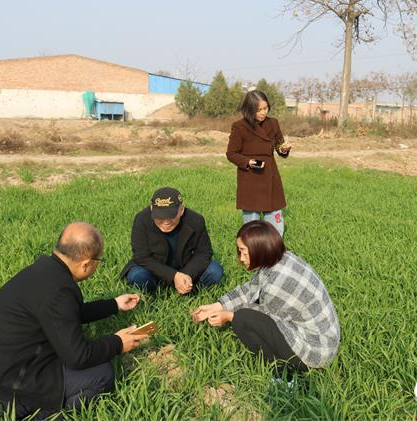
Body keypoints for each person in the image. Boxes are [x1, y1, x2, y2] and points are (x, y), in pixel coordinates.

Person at [0, 222, 147, 419]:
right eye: (98, 260)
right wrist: (118, 343)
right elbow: (78, 356)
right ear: (87, 264)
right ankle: (49, 415)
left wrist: (114, 304)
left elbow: (67, 314)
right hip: (4, 393)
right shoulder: (59, 290)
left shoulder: (44, 271)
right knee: (101, 373)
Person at [191, 220, 340, 376]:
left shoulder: (277, 284)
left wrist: (228, 316)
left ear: (260, 250)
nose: (241, 258)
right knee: (243, 315)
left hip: (315, 353)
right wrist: (216, 306)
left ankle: (282, 373)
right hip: (324, 339)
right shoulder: (281, 259)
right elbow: (250, 289)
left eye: (244, 252)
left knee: (241, 319)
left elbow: (262, 319)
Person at [121, 187, 224, 294]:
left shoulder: (196, 220)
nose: (166, 222)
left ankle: (189, 289)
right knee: (137, 276)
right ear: (152, 209)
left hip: (185, 268)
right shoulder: (142, 219)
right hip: (154, 269)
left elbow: (204, 253)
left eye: (171, 216)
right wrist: (173, 276)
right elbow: (141, 257)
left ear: (181, 210)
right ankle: (154, 292)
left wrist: (186, 275)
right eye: (160, 217)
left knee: (215, 271)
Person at [226, 90, 292, 237]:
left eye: (265, 108)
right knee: (251, 223)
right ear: (249, 109)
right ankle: (250, 251)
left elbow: (279, 148)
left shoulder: (273, 123)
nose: (263, 113)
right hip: (250, 178)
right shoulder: (239, 127)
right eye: (258, 110)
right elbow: (231, 154)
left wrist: (284, 149)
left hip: (270, 176)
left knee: (275, 216)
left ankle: (275, 250)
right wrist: (248, 162)